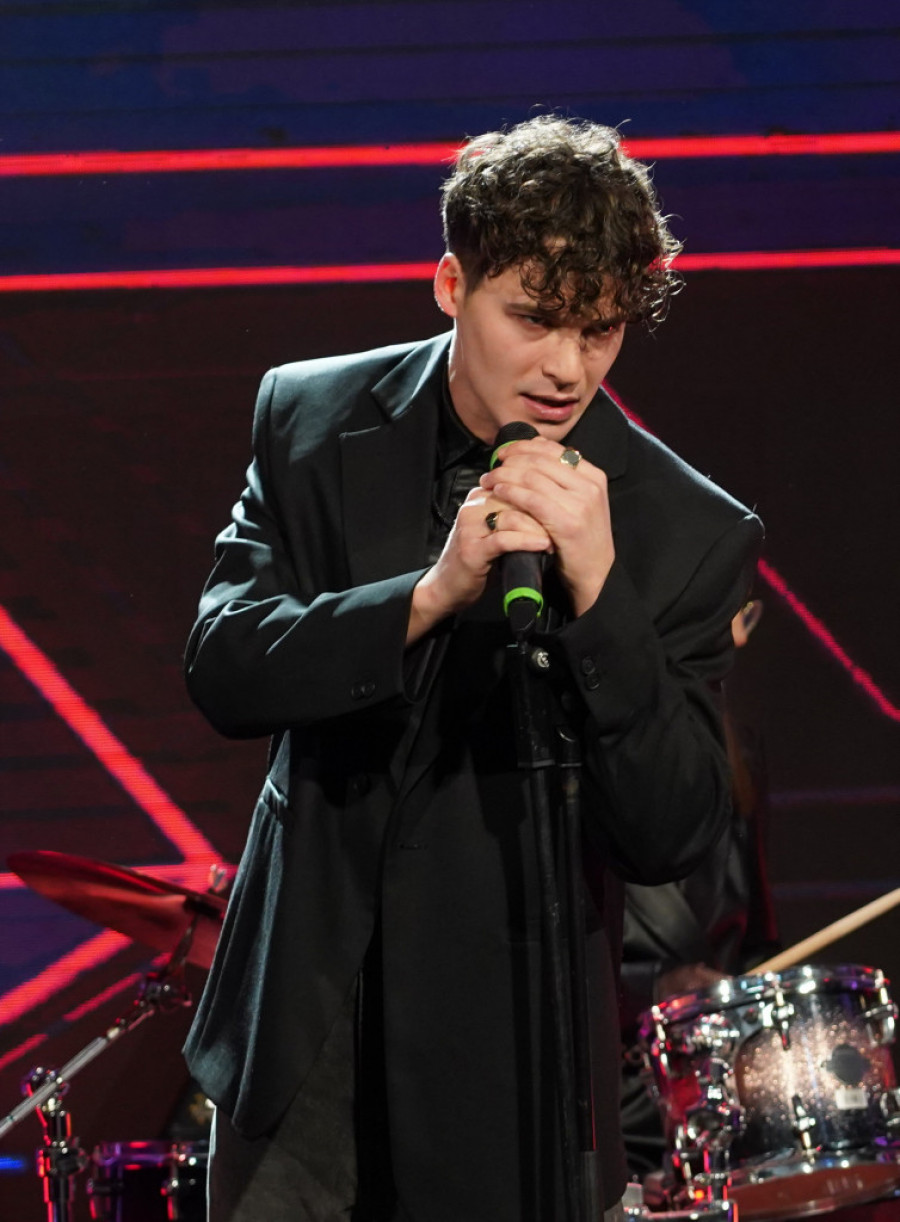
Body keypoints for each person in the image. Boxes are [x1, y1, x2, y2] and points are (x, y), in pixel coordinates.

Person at [182, 114, 763, 1222]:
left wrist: (604, 599)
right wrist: (426, 596)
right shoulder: (310, 419)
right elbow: (225, 666)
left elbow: (672, 831)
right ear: (452, 284)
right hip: (301, 1035)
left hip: (511, 1060)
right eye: (534, 319)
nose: (566, 368)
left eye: (599, 330)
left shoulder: (687, 529)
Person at [618, 601, 781, 1183]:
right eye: (732, 615)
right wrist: (657, 988)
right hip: (620, 1103)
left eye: (748, 616)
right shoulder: (589, 761)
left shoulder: (744, 756)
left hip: (719, 1099)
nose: (740, 640)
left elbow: (757, 940)